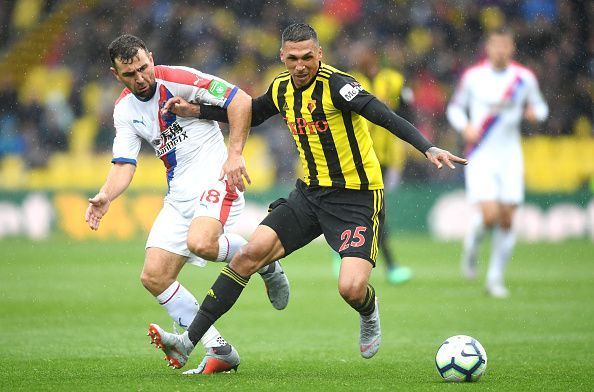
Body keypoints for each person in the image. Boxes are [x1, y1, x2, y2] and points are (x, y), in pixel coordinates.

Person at [148, 23, 466, 369]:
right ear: (282, 56)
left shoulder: (339, 86)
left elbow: (384, 116)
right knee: (247, 256)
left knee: (351, 289)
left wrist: (427, 147)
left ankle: (369, 309)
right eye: (294, 58)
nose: (301, 65)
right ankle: (186, 341)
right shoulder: (282, 87)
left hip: (357, 198)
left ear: (320, 54)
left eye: (308, 57)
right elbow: (251, 112)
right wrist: (197, 111)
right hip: (310, 194)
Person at [84, 34, 290, 374]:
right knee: (153, 276)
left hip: (216, 179)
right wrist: (106, 195)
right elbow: (124, 163)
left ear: (151, 58)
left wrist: (235, 155)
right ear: (115, 74)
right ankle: (218, 349)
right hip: (178, 195)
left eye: (143, 68)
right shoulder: (124, 110)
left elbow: (240, 102)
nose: (140, 78)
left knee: (202, 243)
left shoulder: (180, 78)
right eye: (130, 74)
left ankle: (264, 261)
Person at [446, 28, 548, 298]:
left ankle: (494, 279)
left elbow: (541, 107)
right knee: (490, 215)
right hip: (481, 153)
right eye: (496, 45)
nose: (501, 50)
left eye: (506, 46)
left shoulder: (523, 78)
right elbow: (454, 108)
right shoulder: (474, 77)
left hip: (510, 154)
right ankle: (472, 245)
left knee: (507, 219)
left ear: (512, 49)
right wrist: (465, 126)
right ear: (488, 48)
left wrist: (534, 113)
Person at [348, 40, 414, 284]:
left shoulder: (394, 79)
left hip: (384, 158)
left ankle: (347, 249)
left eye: (360, 51)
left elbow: (408, 112)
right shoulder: (348, 80)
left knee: (374, 210)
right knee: (368, 210)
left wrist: (407, 142)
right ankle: (389, 265)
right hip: (356, 154)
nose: (356, 56)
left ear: (372, 54)